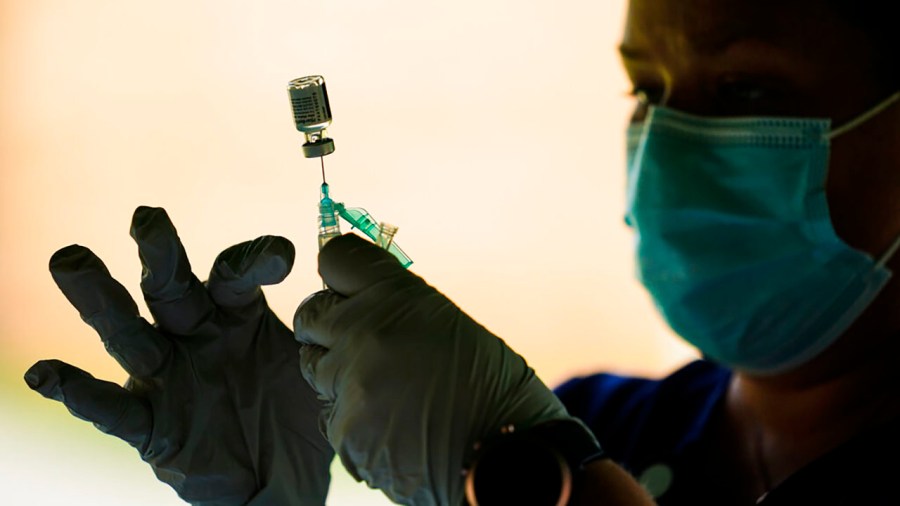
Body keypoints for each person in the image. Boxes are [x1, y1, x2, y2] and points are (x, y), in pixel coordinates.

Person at [24, 0, 900, 504]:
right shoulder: (603, 425)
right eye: (646, 89)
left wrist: (535, 484)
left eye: (747, 89)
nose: (666, 142)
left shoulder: (538, 451)